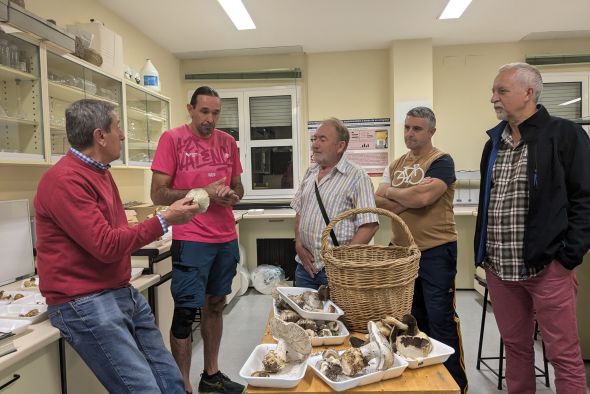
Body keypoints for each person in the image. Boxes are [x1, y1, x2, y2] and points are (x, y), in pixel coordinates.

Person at [35, 99, 200, 394]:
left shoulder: (100, 172)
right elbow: (107, 245)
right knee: (145, 390)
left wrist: (164, 218)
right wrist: (165, 219)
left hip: (117, 291)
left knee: (171, 382)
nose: (122, 135)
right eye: (118, 127)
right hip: (83, 301)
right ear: (100, 136)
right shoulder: (64, 180)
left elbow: (118, 232)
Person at [474, 62, 590, 393]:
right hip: (500, 269)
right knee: (516, 349)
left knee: (563, 355)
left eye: (501, 91)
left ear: (528, 92)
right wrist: (482, 254)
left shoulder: (564, 135)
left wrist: (568, 256)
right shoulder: (493, 144)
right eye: (493, 91)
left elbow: (586, 197)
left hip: (547, 268)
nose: (493, 98)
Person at [150, 86, 245, 394]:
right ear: (189, 109)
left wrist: (231, 196)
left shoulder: (228, 143)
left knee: (216, 305)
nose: (210, 119)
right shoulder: (173, 139)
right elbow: (158, 193)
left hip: (225, 237)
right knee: (185, 313)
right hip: (191, 239)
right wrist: (205, 192)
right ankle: (183, 386)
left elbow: (238, 189)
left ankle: (211, 376)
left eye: (216, 113)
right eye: (204, 111)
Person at [375, 107, 467, 393]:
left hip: (435, 250)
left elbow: (427, 195)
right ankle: (419, 382)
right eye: (407, 128)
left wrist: (400, 195)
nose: (410, 133)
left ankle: (454, 385)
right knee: (409, 319)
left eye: (417, 128)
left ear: (431, 132)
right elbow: (379, 200)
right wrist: (407, 198)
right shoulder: (396, 164)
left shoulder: (441, 161)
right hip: (401, 253)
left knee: (440, 319)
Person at [292, 117, 379, 289]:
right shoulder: (310, 172)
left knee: (338, 316)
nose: (315, 144)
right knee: (302, 315)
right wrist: (298, 244)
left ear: (340, 146)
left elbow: (369, 225)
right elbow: (299, 211)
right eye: (314, 139)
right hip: (304, 267)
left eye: (322, 139)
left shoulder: (357, 177)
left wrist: (342, 263)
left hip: (335, 271)